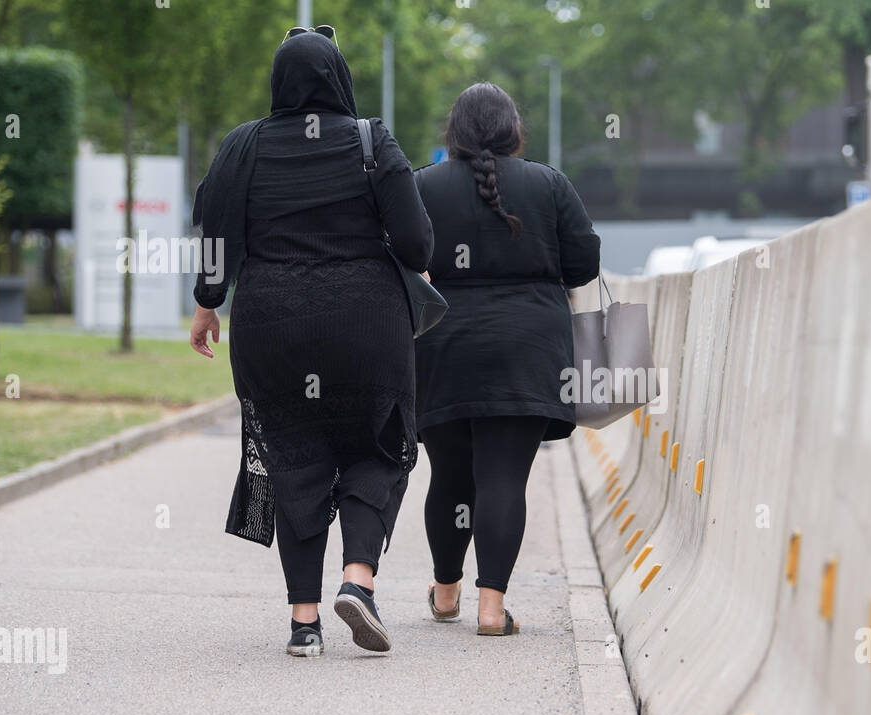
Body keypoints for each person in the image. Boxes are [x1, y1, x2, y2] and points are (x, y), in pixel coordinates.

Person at [188, 29, 433, 657]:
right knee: (379, 444)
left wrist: (207, 304)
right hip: (366, 324)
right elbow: (416, 245)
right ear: (340, 80)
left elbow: (215, 231)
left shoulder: (243, 146)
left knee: (292, 453)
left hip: (272, 323)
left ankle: (304, 623)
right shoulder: (372, 141)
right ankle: (358, 580)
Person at [415, 83, 601, 636]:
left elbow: (396, 255)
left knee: (449, 478)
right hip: (527, 347)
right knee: (502, 478)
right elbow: (584, 262)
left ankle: (445, 593)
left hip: (444, 344)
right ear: (513, 129)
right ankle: (492, 609)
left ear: (455, 130)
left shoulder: (422, 186)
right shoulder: (548, 183)